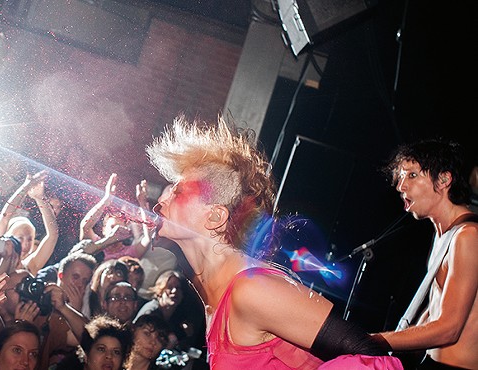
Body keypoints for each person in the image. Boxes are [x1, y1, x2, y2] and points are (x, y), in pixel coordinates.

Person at [145, 116, 401, 369]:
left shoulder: (252, 291)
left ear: (215, 216)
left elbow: (372, 357)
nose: (161, 200)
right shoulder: (211, 292)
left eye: (177, 192)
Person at [375, 139, 478, 370]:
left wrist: (379, 340)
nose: (401, 186)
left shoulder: (468, 236)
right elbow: (435, 311)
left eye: (411, 175)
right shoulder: (444, 234)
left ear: (444, 179)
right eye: (400, 177)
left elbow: (448, 329)